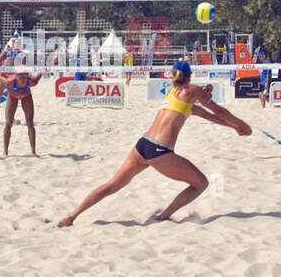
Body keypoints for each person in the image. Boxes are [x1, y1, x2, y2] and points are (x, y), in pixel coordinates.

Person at [58, 61, 251, 227]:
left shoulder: (172, 95)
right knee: (201, 183)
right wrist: (241, 123)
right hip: (160, 151)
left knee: (113, 185)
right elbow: (217, 109)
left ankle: (72, 216)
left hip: (142, 145)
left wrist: (234, 127)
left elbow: (210, 116)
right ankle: (163, 217)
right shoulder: (191, 90)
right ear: (190, 76)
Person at [0, 70, 42, 155]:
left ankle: (33, 151)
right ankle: (5, 151)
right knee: (8, 123)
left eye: (24, 77)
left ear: (27, 76)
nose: (23, 79)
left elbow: (39, 76)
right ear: (16, 76)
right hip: (12, 96)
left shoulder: (32, 81)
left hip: (26, 95)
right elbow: (0, 78)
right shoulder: (10, 82)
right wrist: (0, 73)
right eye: (20, 77)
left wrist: (43, 70)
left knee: (30, 122)